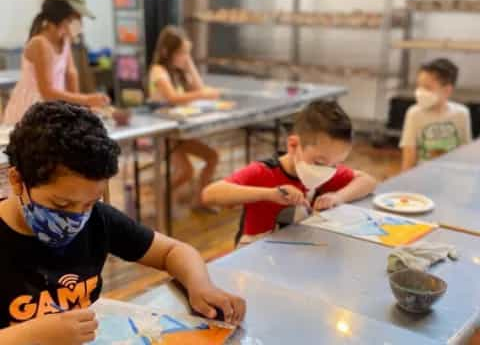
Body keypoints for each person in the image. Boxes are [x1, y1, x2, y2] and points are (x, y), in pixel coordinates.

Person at [0, 101, 246, 344]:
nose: (76, 218)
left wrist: (201, 286)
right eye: (62, 204)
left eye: (90, 202)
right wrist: (29, 336)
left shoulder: (98, 220)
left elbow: (173, 251)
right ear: (17, 180)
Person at [202, 100, 377, 245]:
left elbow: (367, 181)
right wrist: (270, 194)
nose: (327, 170)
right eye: (319, 162)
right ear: (293, 145)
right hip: (254, 256)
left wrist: (338, 197)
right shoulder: (264, 172)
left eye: (335, 164)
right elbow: (210, 194)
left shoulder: (326, 170)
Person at [3, 0, 109, 125]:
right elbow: (47, 91)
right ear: (61, 18)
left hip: (52, 107)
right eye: (75, 19)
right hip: (31, 109)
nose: (79, 25)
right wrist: (86, 100)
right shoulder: (40, 43)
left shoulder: (64, 40)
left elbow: (72, 74)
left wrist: (78, 110)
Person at [149, 26, 220, 211]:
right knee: (186, 171)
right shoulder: (158, 71)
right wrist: (201, 95)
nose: (184, 56)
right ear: (167, 52)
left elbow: (198, 88)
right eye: (181, 53)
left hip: (179, 131)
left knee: (212, 157)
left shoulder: (177, 71)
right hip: (164, 133)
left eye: (187, 53)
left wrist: (190, 64)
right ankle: (161, 199)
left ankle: (201, 200)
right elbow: (172, 97)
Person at [400, 58, 472, 171]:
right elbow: (409, 152)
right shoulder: (414, 114)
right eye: (419, 86)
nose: (420, 92)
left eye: (427, 87)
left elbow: (466, 151)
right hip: (423, 175)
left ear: (447, 90)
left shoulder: (461, 114)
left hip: (452, 174)